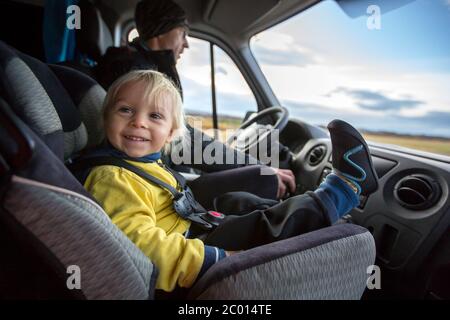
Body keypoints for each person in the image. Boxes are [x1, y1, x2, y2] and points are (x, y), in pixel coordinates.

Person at [82, 70, 379, 293]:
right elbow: (138, 247)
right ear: (105, 117)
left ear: (172, 133)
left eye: (155, 115)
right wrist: (216, 257)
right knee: (262, 224)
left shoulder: (142, 163)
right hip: (190, 257)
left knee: (243, 203)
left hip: (188, 227)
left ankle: (313, 219)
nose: (138, 122)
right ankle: (344, 190)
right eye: (125, 110)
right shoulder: (112, 177)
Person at [95, 0, 296, 206]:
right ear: (163, 29)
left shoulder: (140, 64)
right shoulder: (136, 73)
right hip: (149, 179)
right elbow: (183, 141)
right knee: (262, 186)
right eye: (183, 33)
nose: (186, 43)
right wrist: (259, 168)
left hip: (162, 171)